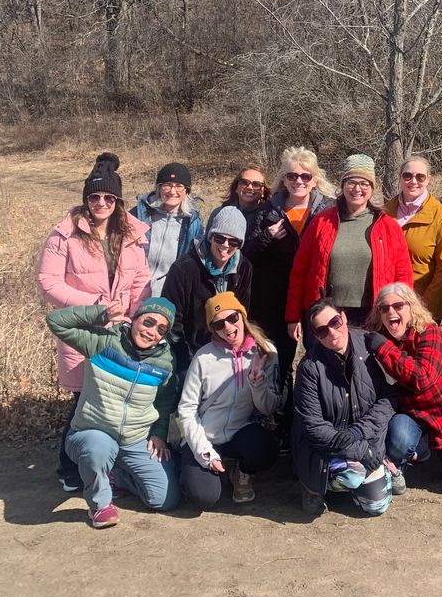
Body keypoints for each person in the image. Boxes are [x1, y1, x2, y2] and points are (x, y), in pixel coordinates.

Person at [37, 152, 151, 492]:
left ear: (118, 201)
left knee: (113, 399)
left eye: (108, 197)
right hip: (83, 330)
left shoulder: (130, 233)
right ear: (86, 199)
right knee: (83, 402)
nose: (101, 202)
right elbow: (48, 282)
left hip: (122, 330)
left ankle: (107, 465)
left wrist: (136, 317)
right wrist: (96, 307)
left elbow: (141, 279)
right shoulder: (64, 235)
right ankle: (68, 469)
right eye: (94, 196)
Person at [45, 297, 180, 528]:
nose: (151, 332)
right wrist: (102, 315)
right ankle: (100, 505)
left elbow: (165, 401)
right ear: (135, 319)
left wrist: (158, 433)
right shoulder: (102, 343)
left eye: (161, 329)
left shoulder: (165, 362)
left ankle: (117, 474)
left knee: (164, 500)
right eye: (148, 322)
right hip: (92, 432)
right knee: (99, 447)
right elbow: (56, 321)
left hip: (134, 440)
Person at [365, 283, 442, 495]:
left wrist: (384, 348)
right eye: (384, 308)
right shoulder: (380, 337)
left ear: (411, 307)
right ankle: (421, 450)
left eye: (398, 305)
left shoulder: (430, 332)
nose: (391, 311)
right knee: (398, 440)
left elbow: (423, 378)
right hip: (412, 415)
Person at [285, 154, 413, 336]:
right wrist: (293, 316)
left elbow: (403, 275)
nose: (357, 189)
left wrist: (401, 313)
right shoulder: (322, 221)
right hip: (328, 313)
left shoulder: (387, 225)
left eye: (364, 183)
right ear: (343, 185)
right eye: (351, 182)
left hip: (373, 315)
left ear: (372, 188)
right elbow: (300, 271)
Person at [177, 292, 284, 509]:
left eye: (232, 318)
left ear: (242, 316)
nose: (227, 327)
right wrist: (205, 453)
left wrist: (257, 383)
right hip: (205, 434)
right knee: (204, 498)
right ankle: (198, 467)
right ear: (212, 330)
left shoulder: (266, 352)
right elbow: (186, 410)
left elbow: (269, 408)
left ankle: (241, 472)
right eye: (218, 324)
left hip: (239, 431)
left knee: (266, 449)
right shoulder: (203, 357)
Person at [292, 299, 397, 517]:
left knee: (375, 506)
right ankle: (315, 487)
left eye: (335, 322)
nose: (332, 333)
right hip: (325, 448)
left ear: (344, 317)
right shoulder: (310, 368)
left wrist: (362, 435)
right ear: (315, 336)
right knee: (352, 476)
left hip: (367, 437)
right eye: (322, 331)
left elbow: (388, 399)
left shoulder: (370, 347)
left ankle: (375, 472)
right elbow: (313, 428)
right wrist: (359, 450)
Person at [244, 147, 336, 389]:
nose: (299, 181)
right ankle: (277, 414)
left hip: (318, 297)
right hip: (275, 300)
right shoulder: (267, 210)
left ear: (315, 180)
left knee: (323, 357)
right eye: (292, 176)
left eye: (306, 176)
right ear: (283, 179)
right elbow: (247, 256)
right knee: (278, 360)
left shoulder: (328, 211)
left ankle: (319, 409)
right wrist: (267, 237)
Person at [163, 205, 253, 371]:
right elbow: (172, 318)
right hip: (190, 350)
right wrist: (186, 359)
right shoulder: (183, 268)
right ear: (210, 236)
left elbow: (242, 312)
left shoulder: (244, 267)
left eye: (233, 241)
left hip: (227, 348)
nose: (226, 245)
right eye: (220, 238)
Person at [383, 156, 442, 322]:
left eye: (420, 177)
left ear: (428, 180)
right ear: (400, 177)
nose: (413, 181)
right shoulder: (386, 212)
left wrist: (422, 309)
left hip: (423, 308)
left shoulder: (440, 216)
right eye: (407, 176)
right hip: (388, 306)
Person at [130, 162, 204, 296]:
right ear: (158, 188)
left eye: (179, 186)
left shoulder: (193, 224)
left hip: (167, 292)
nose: (172, 191)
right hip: (133, 287)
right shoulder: (139, 214)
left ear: (187, 191)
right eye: (167, 185)